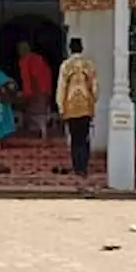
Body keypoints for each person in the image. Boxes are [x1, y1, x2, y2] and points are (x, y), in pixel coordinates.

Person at [55, 38, 98, 191]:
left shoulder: (66, 66)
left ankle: (77, 166)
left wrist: (60, 106)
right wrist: (93, 102)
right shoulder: (89, 65)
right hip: (86, 106)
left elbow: (61, 87)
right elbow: (94, 87)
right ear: (82, 48)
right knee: (84, 138)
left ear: (70, 48)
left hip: (71, 107)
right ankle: (84, 166)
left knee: (74, 139)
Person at [17, 41, 53, 139]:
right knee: (42, 112)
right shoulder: (39, 59)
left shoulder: (25, 61)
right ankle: (43, 131)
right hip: (45, 89)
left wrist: (25, 94)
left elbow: (27, 79)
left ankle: (35, 133)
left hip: (36, 91)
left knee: (33, 113)